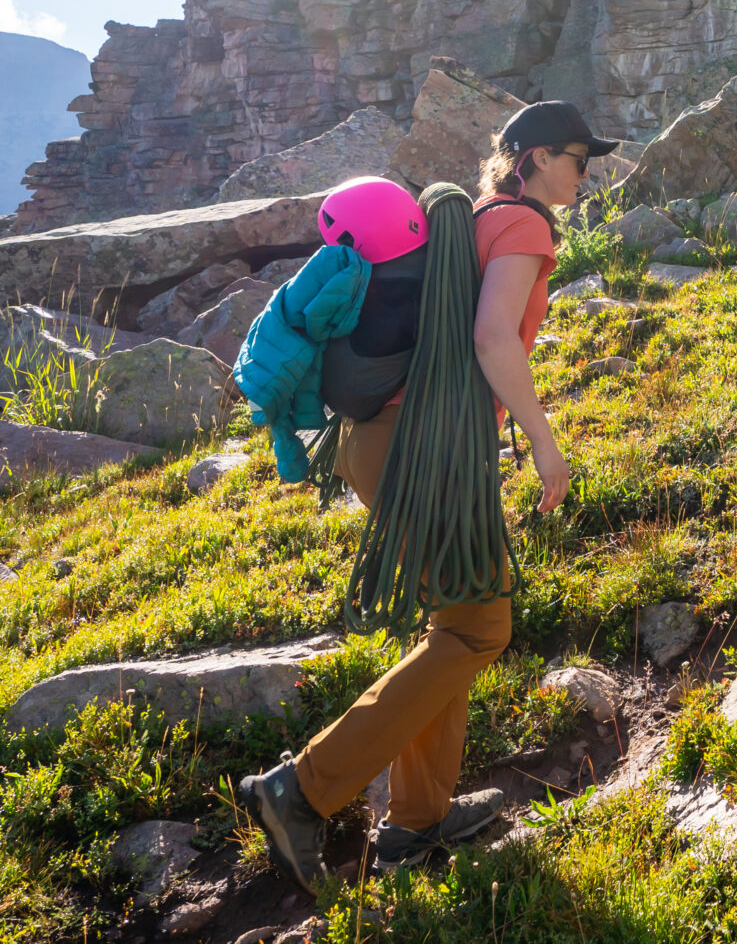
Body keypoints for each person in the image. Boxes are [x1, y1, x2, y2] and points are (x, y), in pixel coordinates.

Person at [239, 101, 608, 889]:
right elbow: (489, 336)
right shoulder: (525, 226)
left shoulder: (470, 216)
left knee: (455, 623)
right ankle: (300, 791)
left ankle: (415, 821)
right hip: (422, 450)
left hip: (381, 442)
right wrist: (545, 442)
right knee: (479, 628)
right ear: (536, 156)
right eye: (580, 156)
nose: (588, 171)